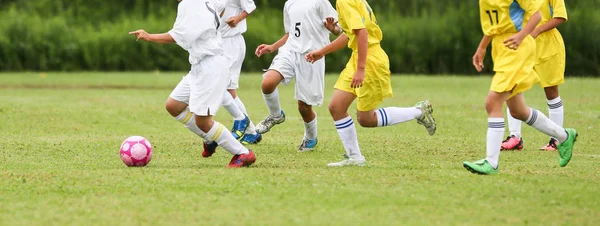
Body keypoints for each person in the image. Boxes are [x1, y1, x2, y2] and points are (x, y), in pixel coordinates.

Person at [306, 0, 436, 167]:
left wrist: (361, 69)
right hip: (358, 57)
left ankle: (418, 112)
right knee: (336, 107)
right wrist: (322, 51)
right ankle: (355, 158)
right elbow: (350, 34)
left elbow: (363, 34)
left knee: (366, 119)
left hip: (370, 61)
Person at [129, 0, 256, 168]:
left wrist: (149, 36)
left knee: (203, 121)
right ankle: (210, 138)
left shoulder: (189, 4)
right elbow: (221, 6)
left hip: (210, 65)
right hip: (200, 65)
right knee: (173, 105)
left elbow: (178, 36)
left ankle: (243, 153)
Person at [463, 0, 577, 174]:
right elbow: (496, 25)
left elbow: (537, 15)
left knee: (492, 103)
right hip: (502, 51)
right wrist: (482, 47)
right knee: (518, 111)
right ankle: (564, 136)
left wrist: (521, 35)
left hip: (518, 52)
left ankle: (491, 163)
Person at [254, 0, 341, 152]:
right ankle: (276, 116)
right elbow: (290, 34)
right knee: (267, 83)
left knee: (304, 107)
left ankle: (311, 137)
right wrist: (273, 47)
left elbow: (338, 30)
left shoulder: (320, 2)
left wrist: (332, 27)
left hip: (312, 55)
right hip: (290, 51)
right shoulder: (289, 3)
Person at [502, 0, 569, 151]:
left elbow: (561, 16)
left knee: (551, 92)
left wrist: (537, 30)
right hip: (523, 44)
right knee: (512, 87)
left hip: (548, 47)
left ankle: (556, 140)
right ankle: (515, 137)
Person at [216, 0, 263, 145]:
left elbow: (250, 7)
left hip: (232, 42)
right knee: (228, 90)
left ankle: (246, 126)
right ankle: (251, 131)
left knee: (223, 88)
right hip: (218, 42)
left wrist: (237, 19)